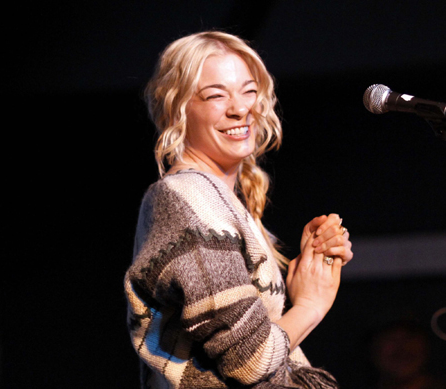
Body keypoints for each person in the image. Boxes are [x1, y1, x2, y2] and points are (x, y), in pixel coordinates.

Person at [124, 31, 353, 388]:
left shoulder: (218, 200)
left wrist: (308, 279)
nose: (240, 108)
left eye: (249, 91)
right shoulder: (189, 197)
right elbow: (251, 363)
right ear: (176, 109)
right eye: (216, 95)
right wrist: (311, 304)